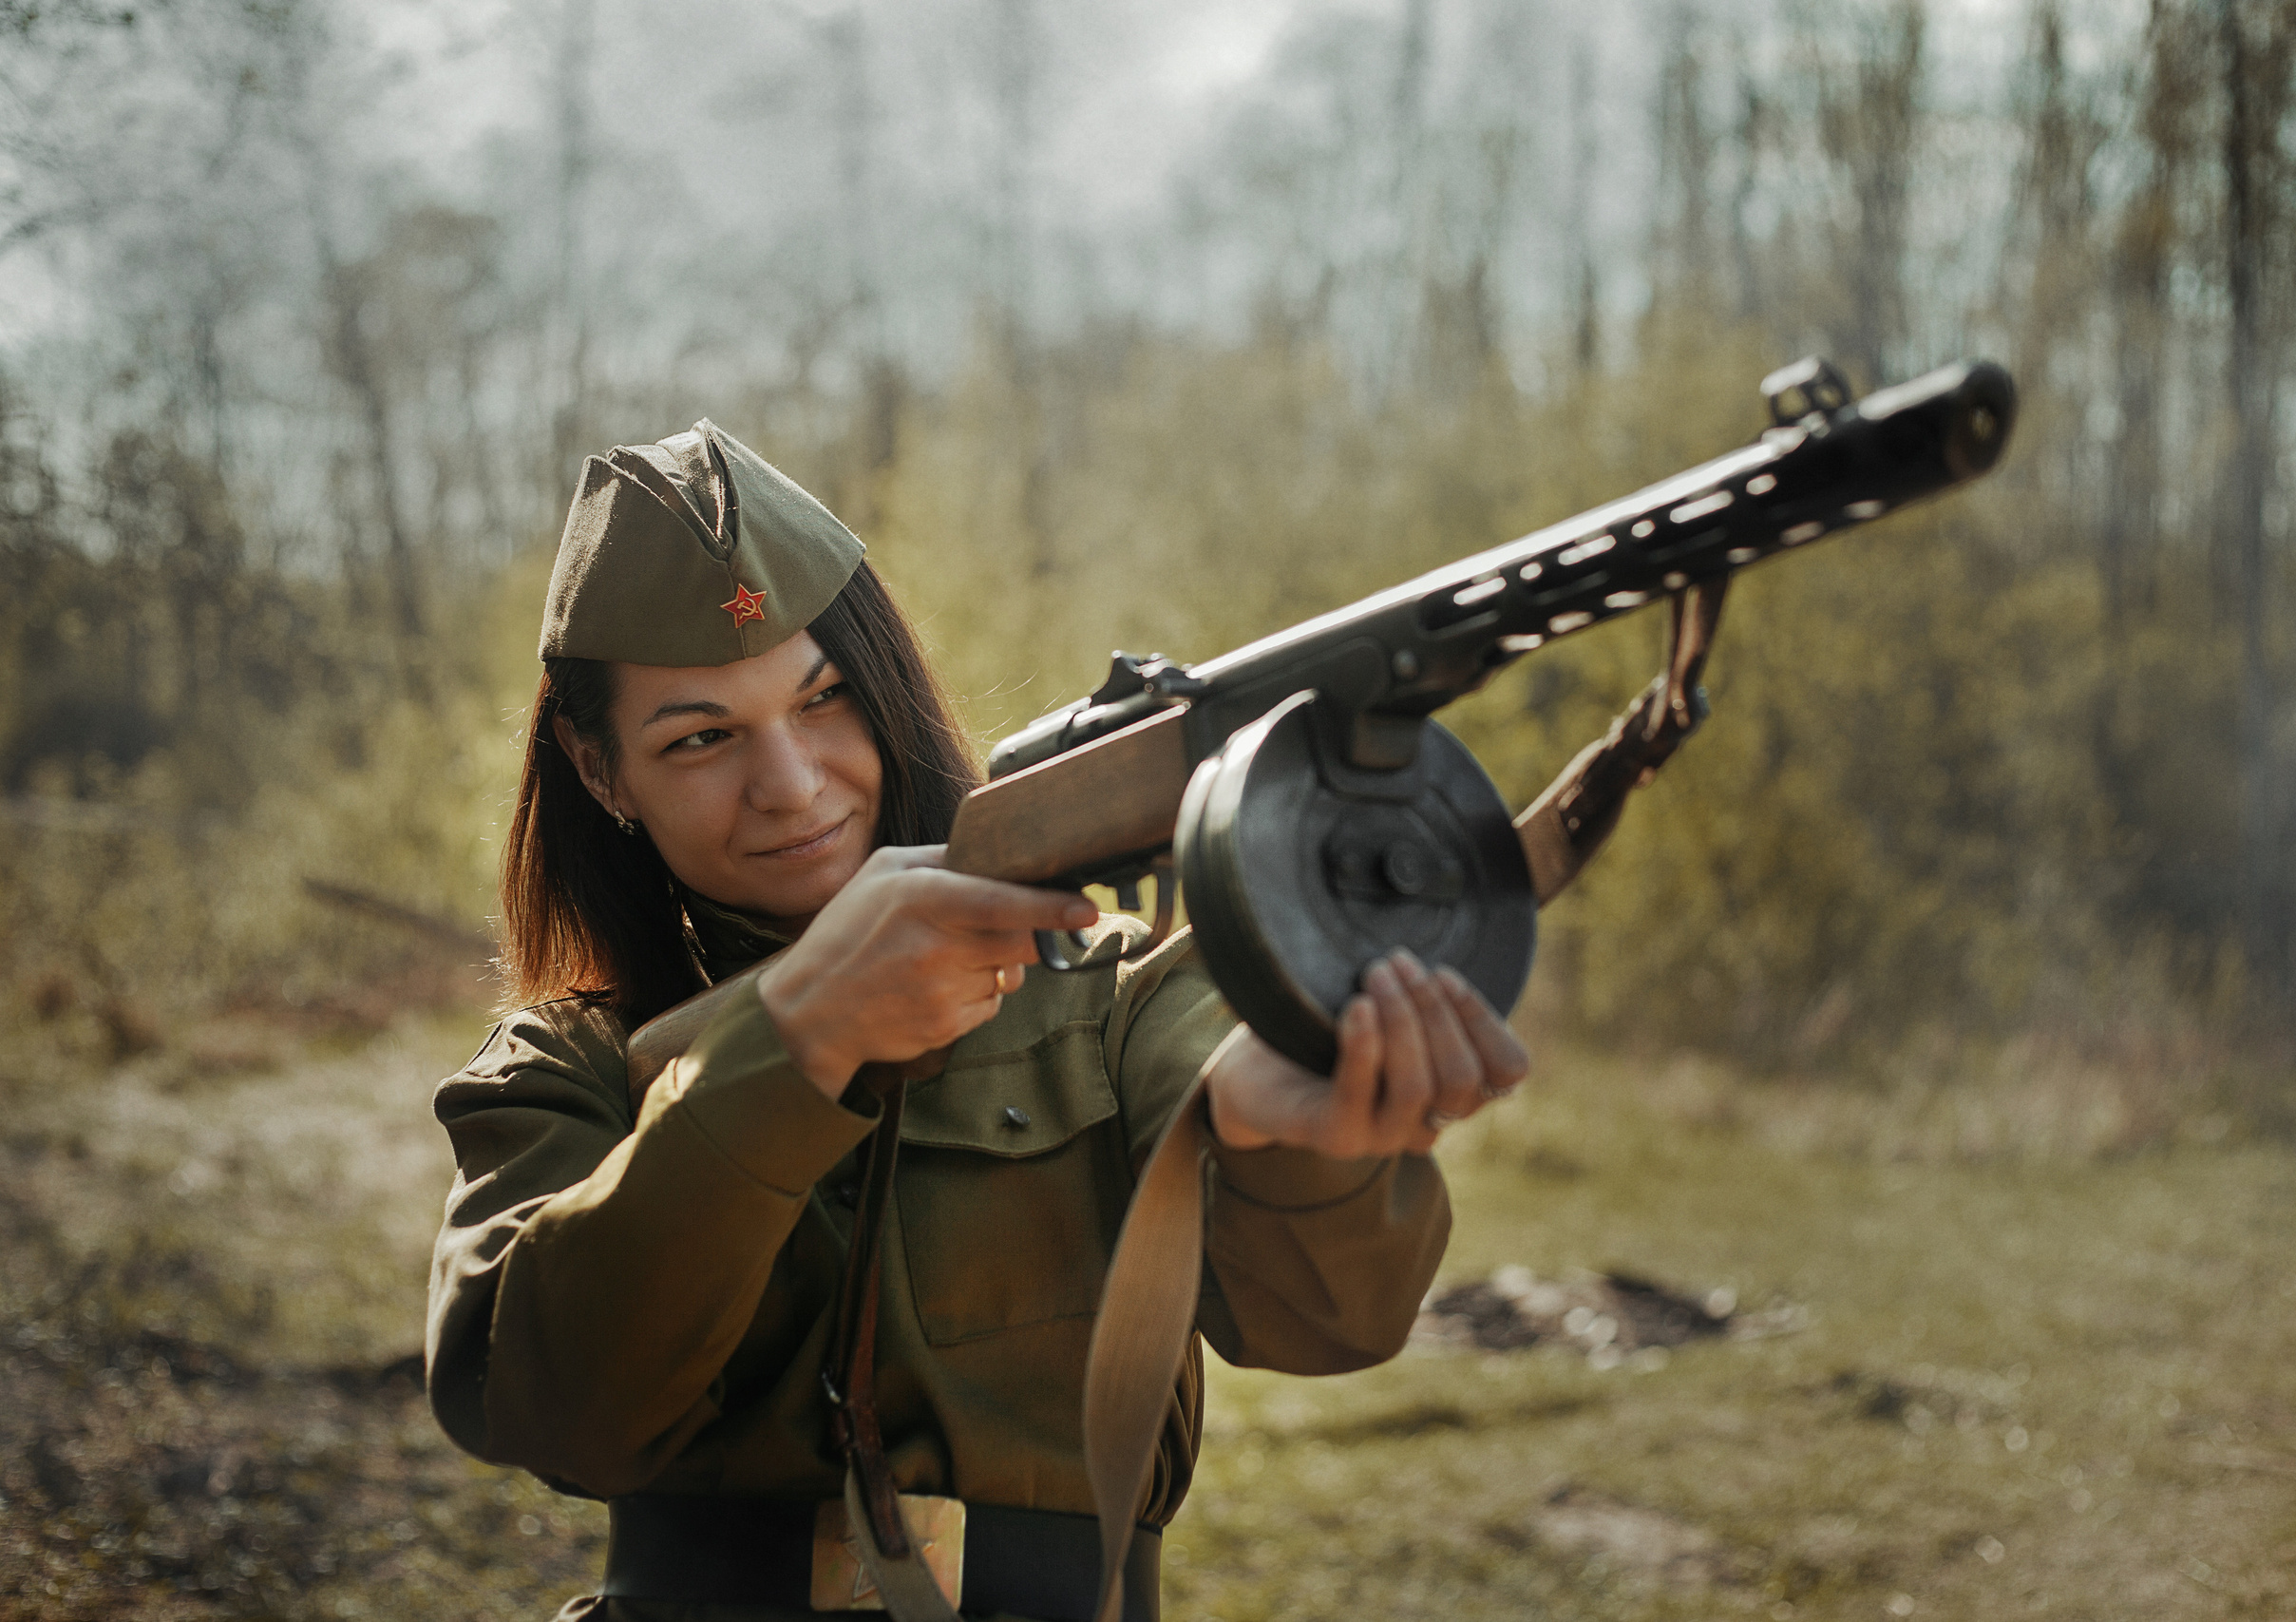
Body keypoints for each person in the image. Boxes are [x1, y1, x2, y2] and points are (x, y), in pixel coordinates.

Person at [425, 420, 1530, 1621]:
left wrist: (1293, 1132)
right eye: (700, 738)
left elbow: (1329, 1320)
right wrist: (786, 1049)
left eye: (825, 699)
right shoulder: (565, 1066)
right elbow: (540, 1404)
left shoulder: (1115, 990)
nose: (791, 783)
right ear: (599, 773)